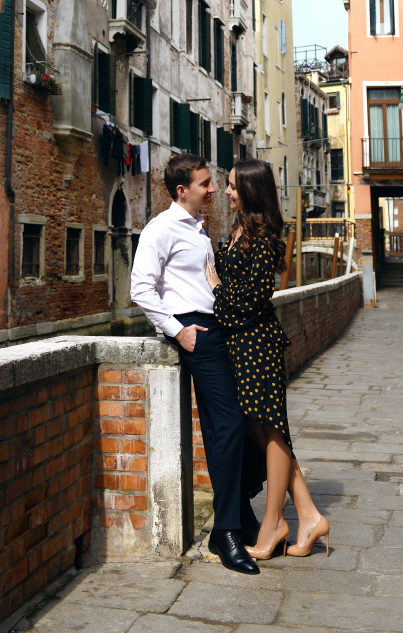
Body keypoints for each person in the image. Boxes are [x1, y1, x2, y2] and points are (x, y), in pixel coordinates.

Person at [130, 154, 261, 575]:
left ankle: (239, 518)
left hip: (217, 329)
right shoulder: (161, 228)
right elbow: (141, 288)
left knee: (231, 424)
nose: (213, 189)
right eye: (205, 183)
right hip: (196, 333)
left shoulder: (198, 228)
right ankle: (226, 531)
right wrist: (177, 330)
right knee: (231, 423)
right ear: (182, 190)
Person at [206, 159, 330, 561]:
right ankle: (309, 516)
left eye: (232, 185)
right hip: (240, 347)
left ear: (250, 190)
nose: (227, 191)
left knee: (273, 433)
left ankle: (274, 524)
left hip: (257, 346)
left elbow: (253, 300)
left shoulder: (263, 237)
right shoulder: (239, 230)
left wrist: (217, 290)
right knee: (262, 434)